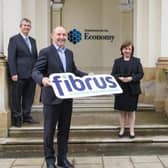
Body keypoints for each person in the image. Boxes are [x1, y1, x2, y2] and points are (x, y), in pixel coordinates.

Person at [32, 26, 87, 168]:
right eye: (59, 34)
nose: (62, 37)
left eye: (64, 35)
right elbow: (36, 70)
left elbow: (73, 71)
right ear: (52, 36)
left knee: (64, 130)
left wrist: (88, 77)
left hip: (67, 98)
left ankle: (62, 159)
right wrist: (42, 80)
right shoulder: (46, 52)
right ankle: (50, 160)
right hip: (51, 99)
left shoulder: (69, 53)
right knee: (49, 131)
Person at [8, 18, 38, 127]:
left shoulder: (33, 41)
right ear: (20, 26)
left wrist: (37, 72)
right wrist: (13, 73)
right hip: (19, 74)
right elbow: (11, 57)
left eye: (28, 25)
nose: (26, 27)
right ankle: (17, 118)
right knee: (16, 96)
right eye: (24, 25)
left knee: (29, 96)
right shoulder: (14, 40)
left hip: (32, 74)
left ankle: (27, 116)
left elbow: (35, 57)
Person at [111, 41, 144, 138]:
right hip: (121, 89)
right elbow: (113, 74)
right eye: (125, 49)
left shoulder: (137, 61)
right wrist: (119, 78)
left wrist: (131, 78)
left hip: (132, 90)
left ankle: (131, 130)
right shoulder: (117, 61)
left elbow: (140, 74)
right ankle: (122, 129)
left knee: (131, 111)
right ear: (122, 50)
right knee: (122, 111)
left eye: (129, 49)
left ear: (132, 50)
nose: (127, 51)